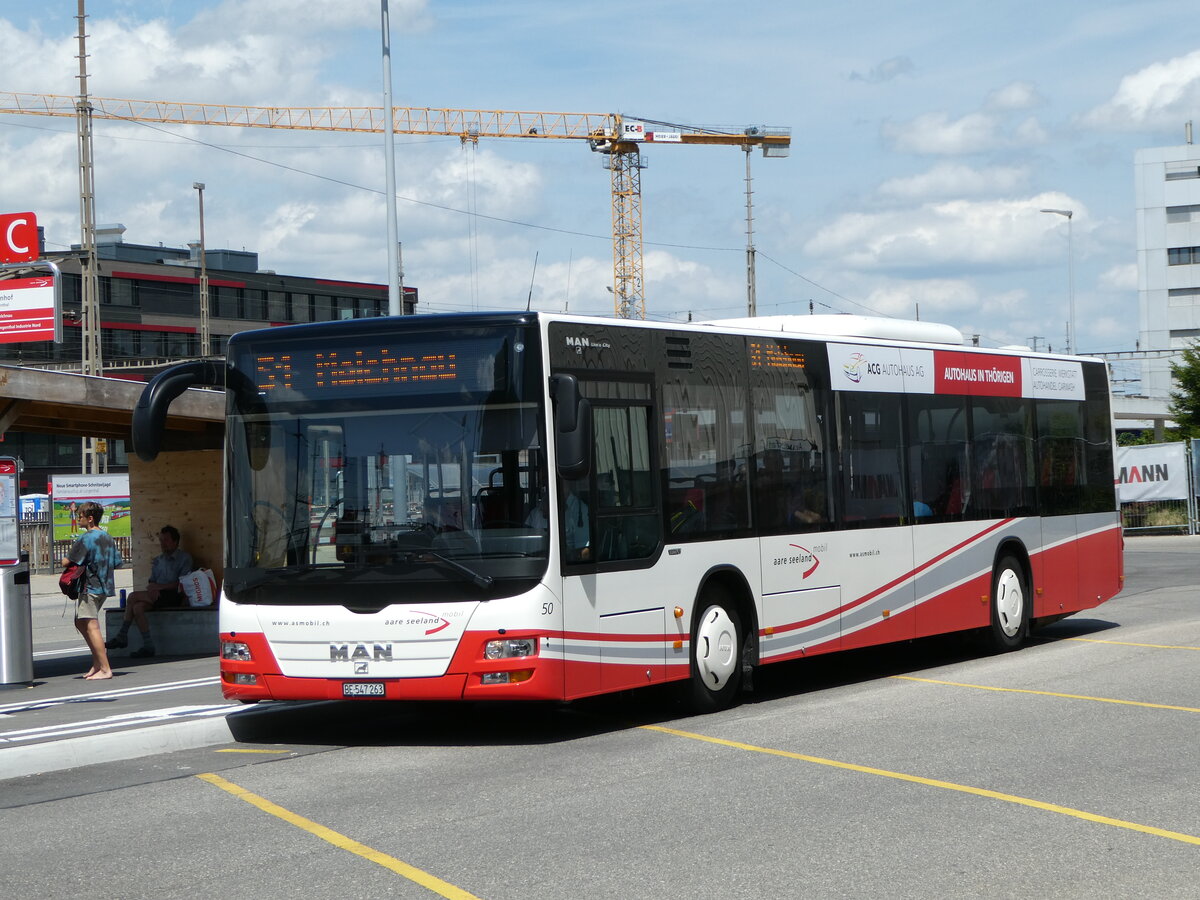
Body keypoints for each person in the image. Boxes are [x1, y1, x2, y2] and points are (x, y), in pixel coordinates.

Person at [105, 525, 193, 658]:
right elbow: (152, 581)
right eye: (161, 540)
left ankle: (122, 635)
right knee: (137, 607)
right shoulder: (158, 560)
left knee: (132, 596)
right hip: (157, 595)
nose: (163, 544)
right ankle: (149, 645)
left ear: (175, 542)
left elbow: (183, 582)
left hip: (174, 595)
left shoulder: (184, 558)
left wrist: (159, 587)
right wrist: (153, 588)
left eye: (166, 540)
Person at [62, 501, 124, 680]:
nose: (78, 519)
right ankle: (97, 663)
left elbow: (66, 561)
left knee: (91, 625)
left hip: (90, 586)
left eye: (80, 516)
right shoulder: (107, 536)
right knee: (80, 622)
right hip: (105, 586)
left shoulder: (86, 538)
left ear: (90, 519)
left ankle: (105, 669)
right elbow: (117, 562)